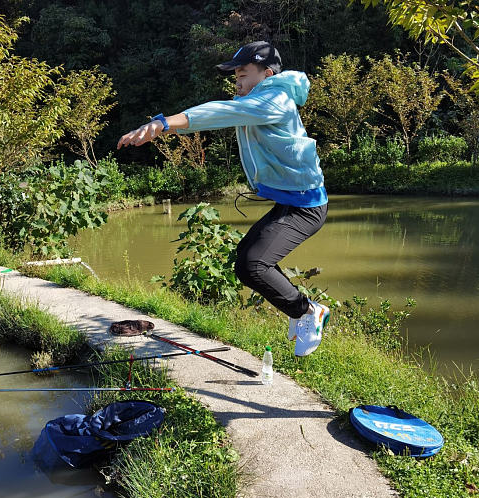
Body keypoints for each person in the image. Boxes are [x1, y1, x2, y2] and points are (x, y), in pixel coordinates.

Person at [117, 41, 329, 355]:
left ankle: (310, 312)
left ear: (267, 73)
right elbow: (223, 114)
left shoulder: (276, 99)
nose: (237, 81)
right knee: (247, 264)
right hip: (291, 200)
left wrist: (163, 123)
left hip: (305, 206)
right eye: (235, 76)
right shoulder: (261, 100)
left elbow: (222, 111)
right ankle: (300, 310)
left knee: (254, 264)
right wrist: (165, 128)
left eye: (243, 74)